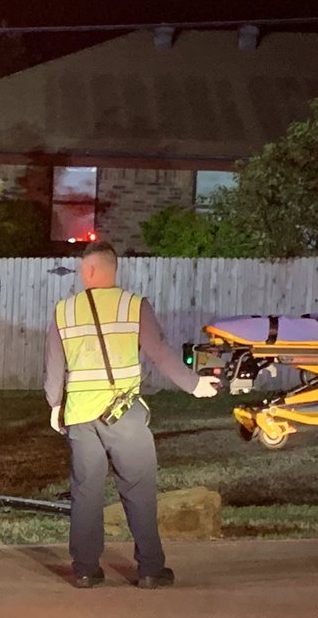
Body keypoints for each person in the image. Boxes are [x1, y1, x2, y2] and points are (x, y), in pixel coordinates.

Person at [44, 242, 218, 590]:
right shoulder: (134, 306)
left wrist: (54, 404)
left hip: (80, 415)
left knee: (86, 492)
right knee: (139, 490)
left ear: (90, 271)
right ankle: (150, 570)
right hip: (124, 415)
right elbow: (160, 353)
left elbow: (53, 365)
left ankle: (84, 570)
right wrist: (194, 384)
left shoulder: (64, 311)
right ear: (113, 269)